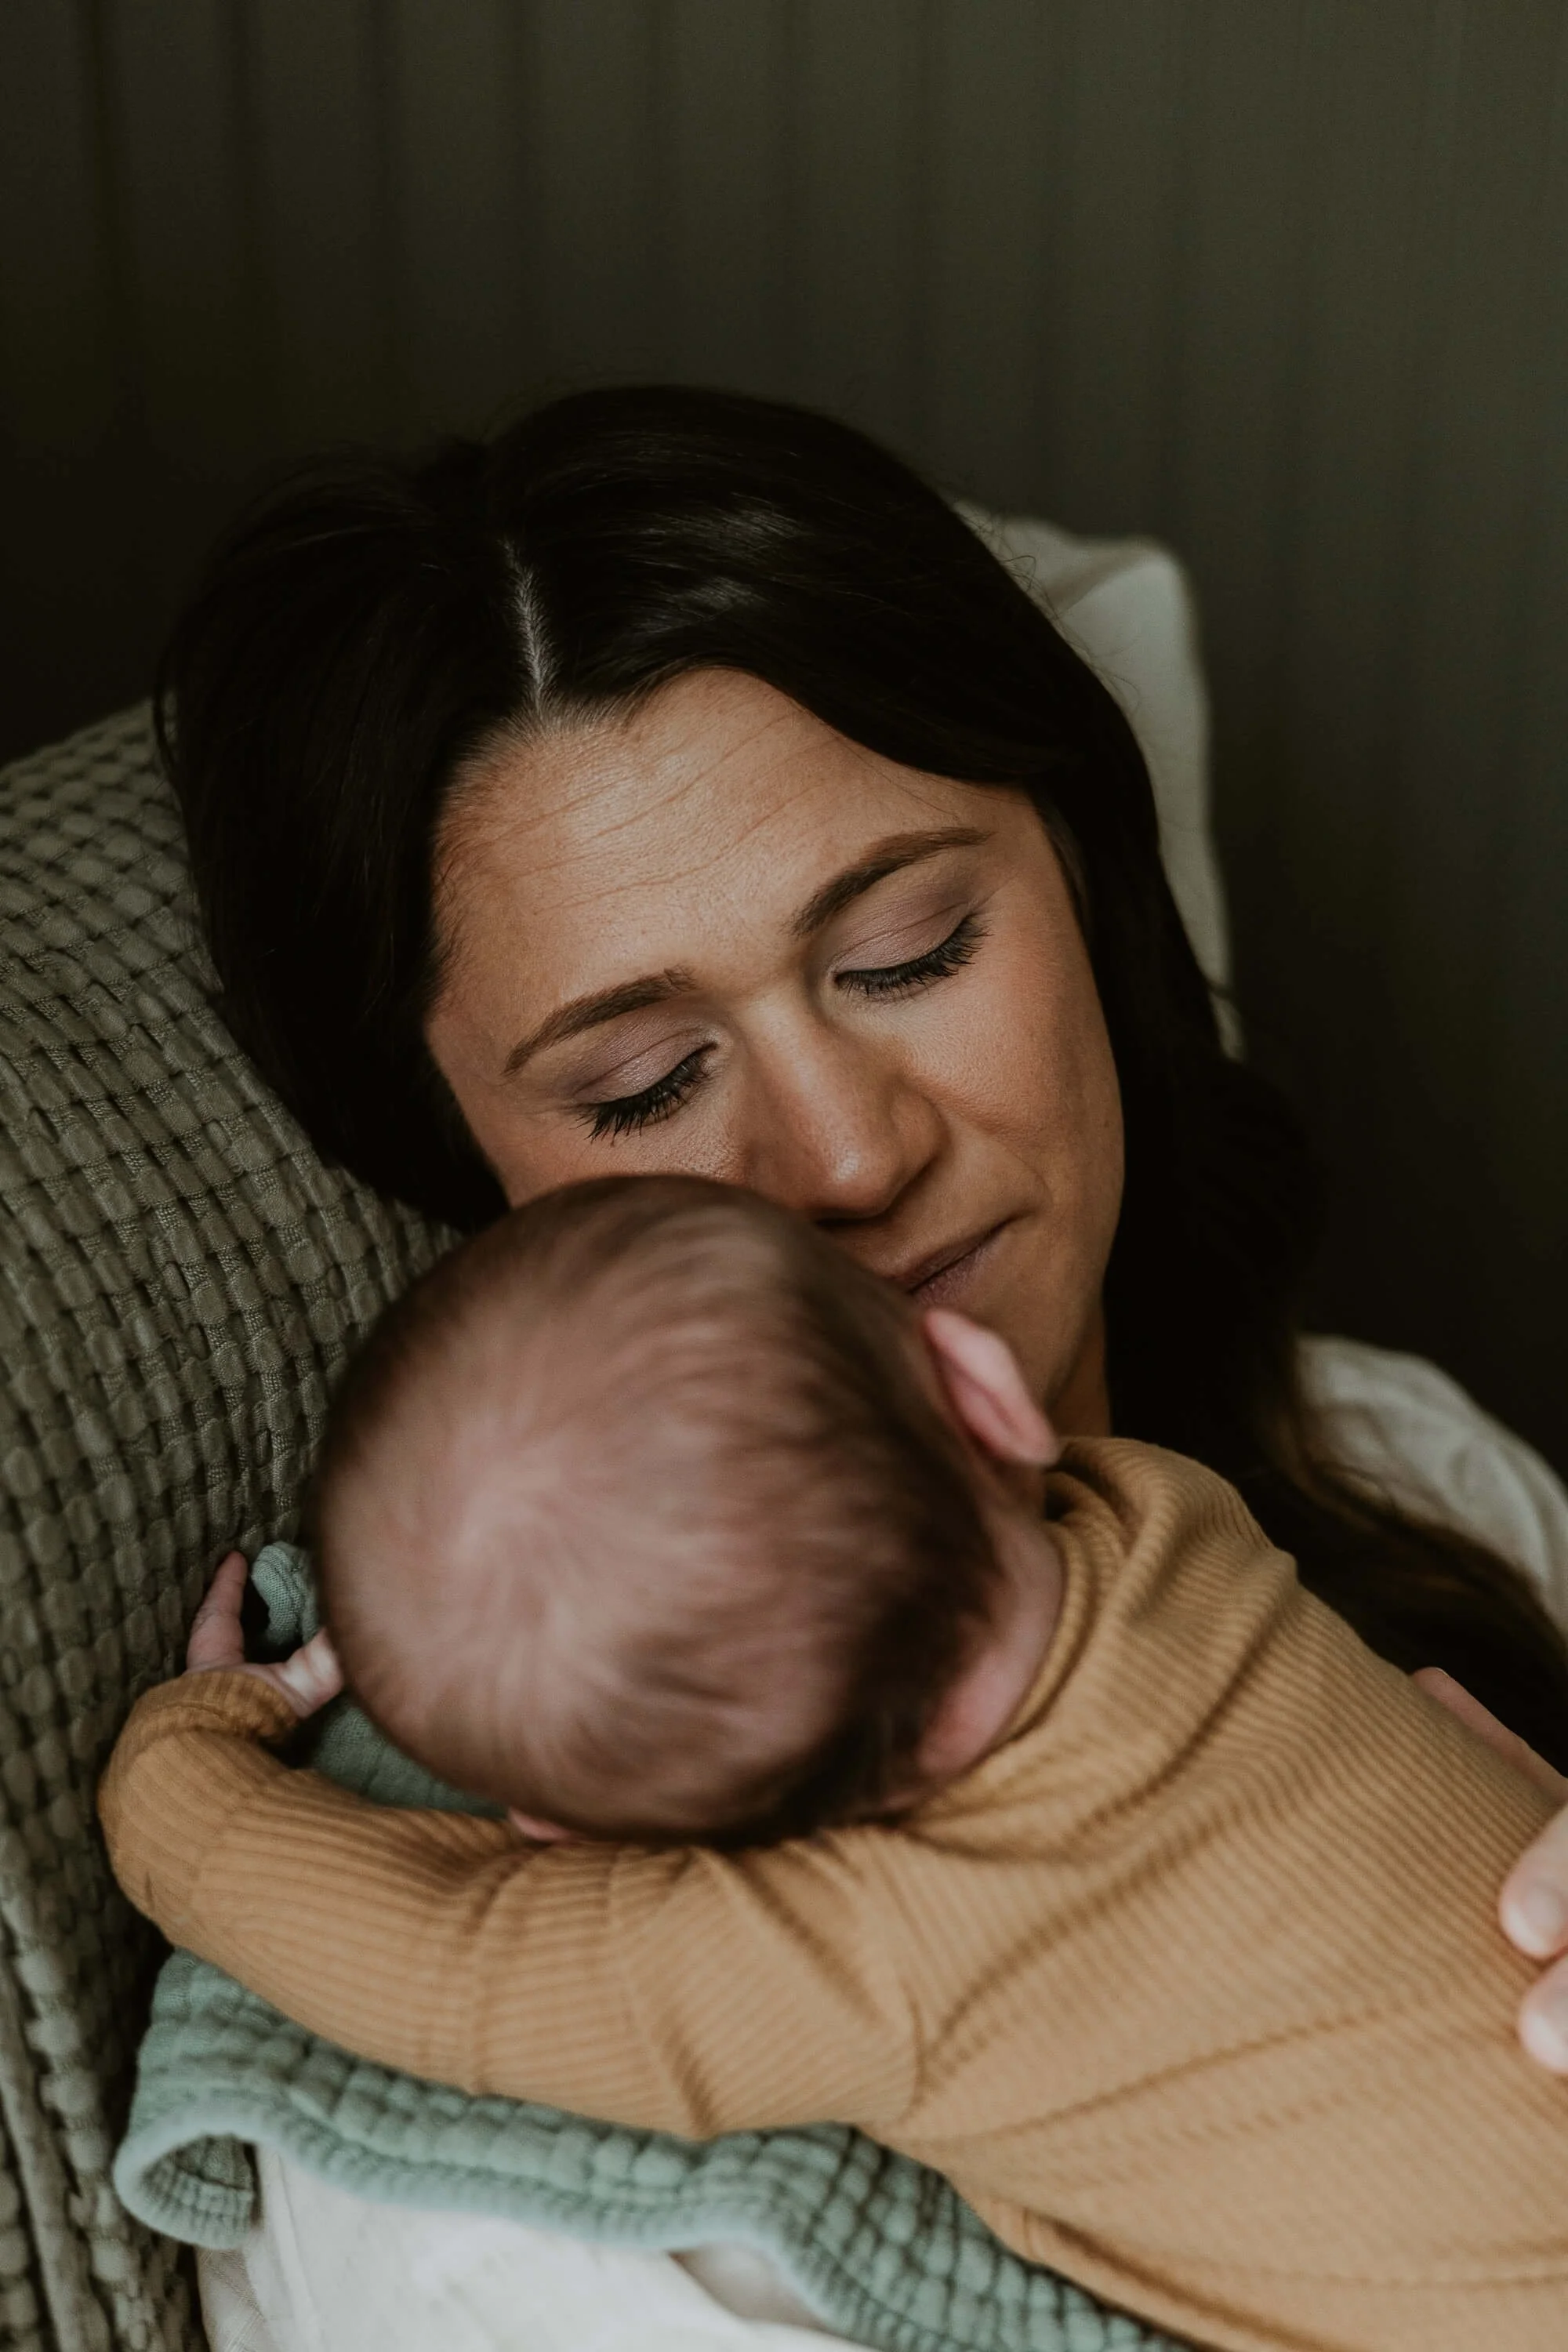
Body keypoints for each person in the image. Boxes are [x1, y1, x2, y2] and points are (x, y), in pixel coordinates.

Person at [155, 386, 1568, 2109]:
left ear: (1082, 877)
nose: (845, 1154)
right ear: (454, 1170)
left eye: (908, 952)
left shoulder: (1411, 1467)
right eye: (644, 1085)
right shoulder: (550, 2066)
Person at [100, 1174, 1568, 2352]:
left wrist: (185, 1762)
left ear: (563, 1830)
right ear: (987, 1396)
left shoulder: (857, 1957)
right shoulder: (1170, 1514)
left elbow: (446, 1956)